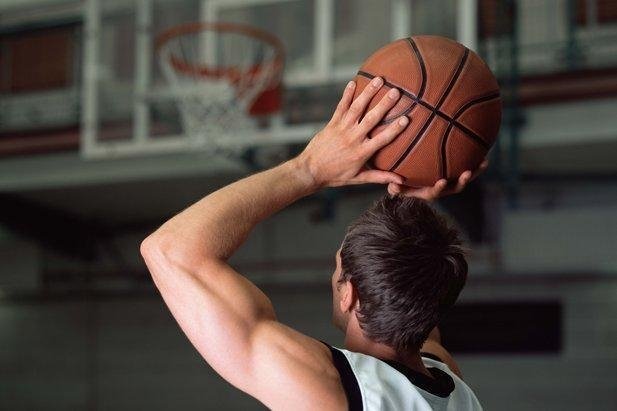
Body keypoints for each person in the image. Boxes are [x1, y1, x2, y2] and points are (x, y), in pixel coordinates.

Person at [140, 77, 487, 410]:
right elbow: (418, 296)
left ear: (350, 294)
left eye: (336, 268)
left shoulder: (332, 390)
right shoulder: (452, 389)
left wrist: (309, 169)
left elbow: (170, 250)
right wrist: (415, 206)